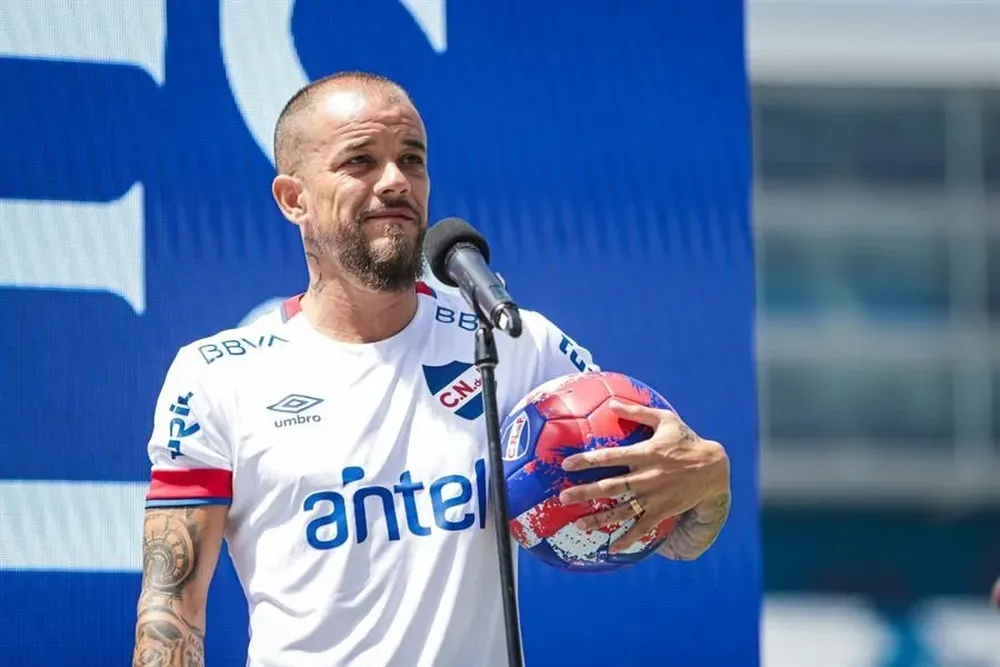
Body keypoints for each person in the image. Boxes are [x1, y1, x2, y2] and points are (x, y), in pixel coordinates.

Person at [131, 71, 732, 667]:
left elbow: (679, 535)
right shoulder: (216, 375)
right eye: (360, 161)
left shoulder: (511, 339)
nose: (395, 182)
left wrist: (707, 481)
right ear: (294, 199)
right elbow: (172, 616)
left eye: (411, 160)